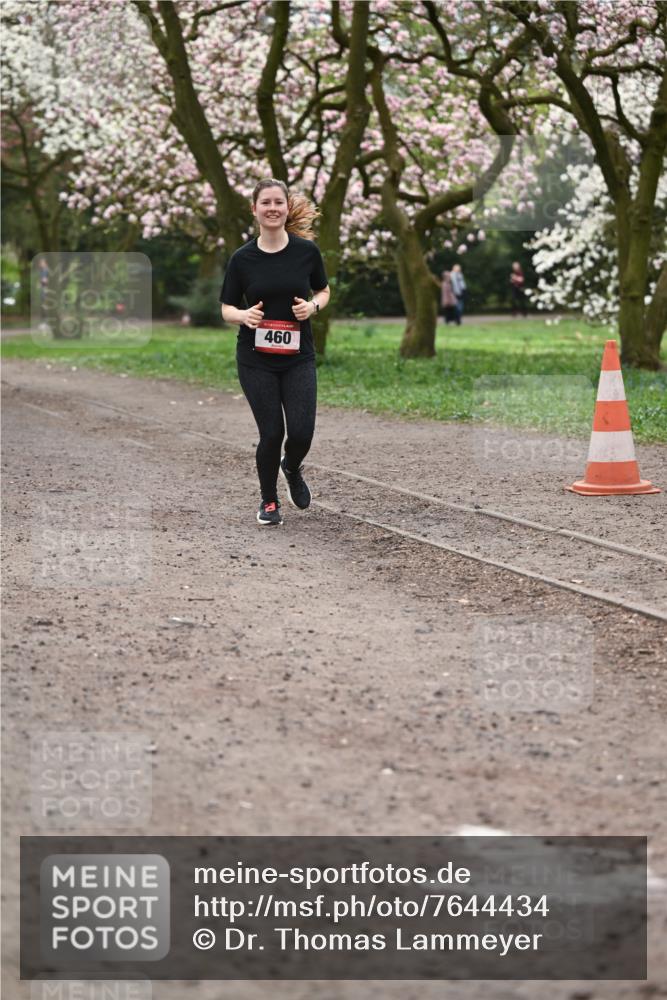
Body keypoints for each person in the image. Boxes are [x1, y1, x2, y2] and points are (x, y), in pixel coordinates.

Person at [219, 179, 330, 526]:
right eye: (265, 202)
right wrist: (243, 316)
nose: (272, 208)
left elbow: (324, 291)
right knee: (271, 433)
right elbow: (226, 308)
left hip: (298, 357)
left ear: (286, 207)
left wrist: (312, 307)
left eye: (278, 202)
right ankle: (269, 501)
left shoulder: (306, 252)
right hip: (256, 359)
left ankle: (291, 467)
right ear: (254, 209)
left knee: (301, 433)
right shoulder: (242, 259)